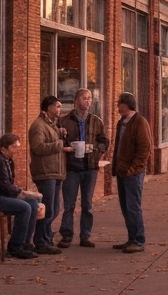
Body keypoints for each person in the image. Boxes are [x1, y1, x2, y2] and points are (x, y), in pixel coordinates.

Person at [58, 88, 109, 249]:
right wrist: (66, 146)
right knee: (69, 204)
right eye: (84, 98)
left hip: (90, 167)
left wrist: (95, 151)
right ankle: (66, 236)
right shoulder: (64, 121)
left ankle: (85, 236)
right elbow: (57, 141)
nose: (88, 101)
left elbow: (104, 141)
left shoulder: (96, 121)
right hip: (72, 167)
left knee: (87, 204)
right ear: (76, 101)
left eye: (89, 98)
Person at [110, 92, 153, 253]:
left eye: (119, 103)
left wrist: (133, 169)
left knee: (133, 206)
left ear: (127, 104)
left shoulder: (139, 122)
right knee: (125, 207)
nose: (117, 106)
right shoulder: (121, 123)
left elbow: (144, 148)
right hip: (122, 171)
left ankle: (138, 240)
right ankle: (131, 238)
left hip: (133, 173)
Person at [28, 95, 70, 254]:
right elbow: (38, 147)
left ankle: (46, 238)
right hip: (45, 173)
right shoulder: (38, 125)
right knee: (47, 208)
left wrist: (59, 133)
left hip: (55, 172)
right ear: (49, 108)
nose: (60, 109)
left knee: (54, 208)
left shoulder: (51, 125)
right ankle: (42, 241)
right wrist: (59, 144)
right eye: (57, 106)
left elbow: (50, 139)